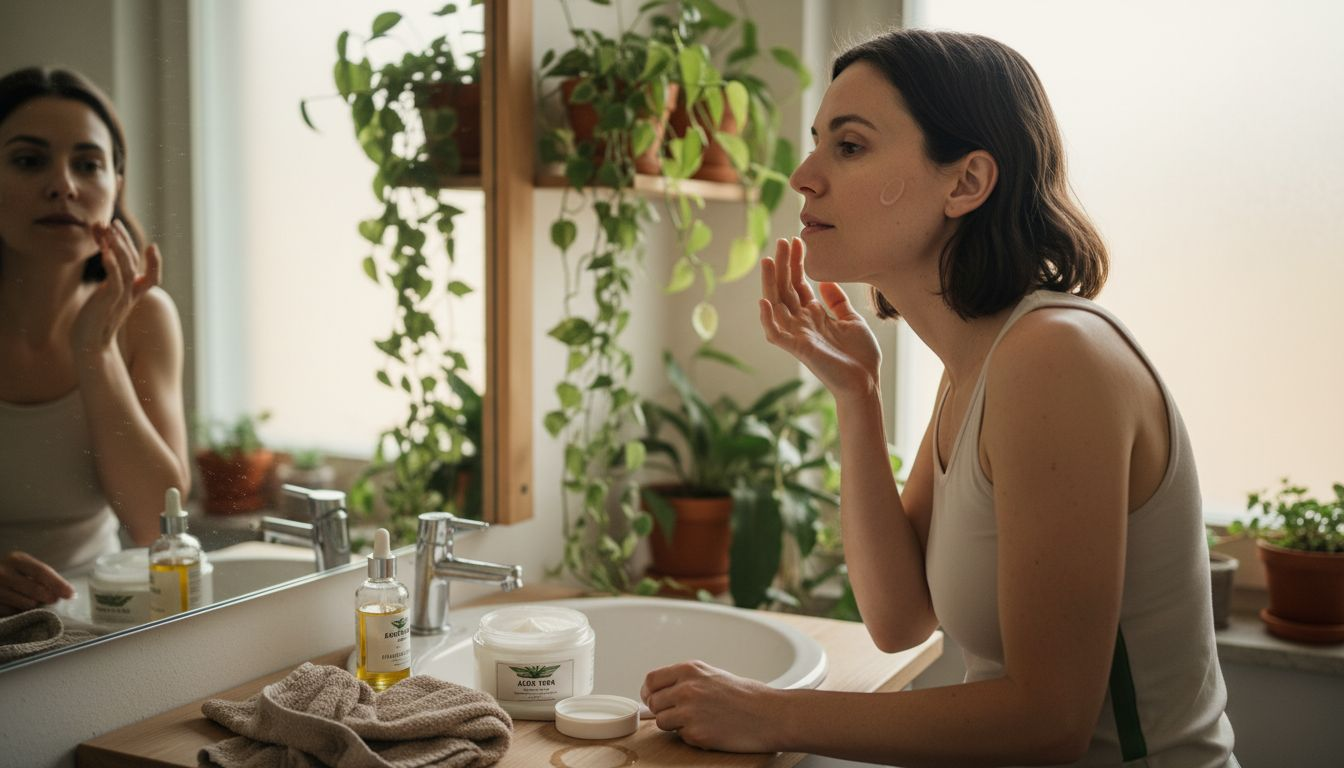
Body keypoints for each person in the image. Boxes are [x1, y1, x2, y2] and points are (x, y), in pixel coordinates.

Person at [640, 29, 1237, 767]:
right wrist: (855, 397)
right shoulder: (981, 361)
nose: (803, 176)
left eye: (849, 147)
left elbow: (1048, 723)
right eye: (817, 142)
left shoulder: (1056, 360)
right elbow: (898, 619)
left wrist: (771, 713)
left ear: (966, 183)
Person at [0, 67, 189, 617]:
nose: (64, 185)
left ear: (116, 187)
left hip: (94, 626)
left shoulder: (142, 317)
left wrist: (97, 351)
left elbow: (158, 522)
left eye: (88, 164)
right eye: (29, 160)